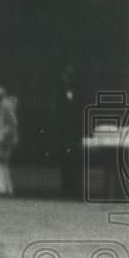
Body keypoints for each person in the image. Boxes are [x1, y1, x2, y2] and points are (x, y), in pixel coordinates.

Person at [55, 63, 84, 199]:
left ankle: (76, 190)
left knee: (76, 163)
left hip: (75, 134)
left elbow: (81, 112)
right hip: (63, 134)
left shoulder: (79, 93)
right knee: (65, 163)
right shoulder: (59, 93)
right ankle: (66, 190)